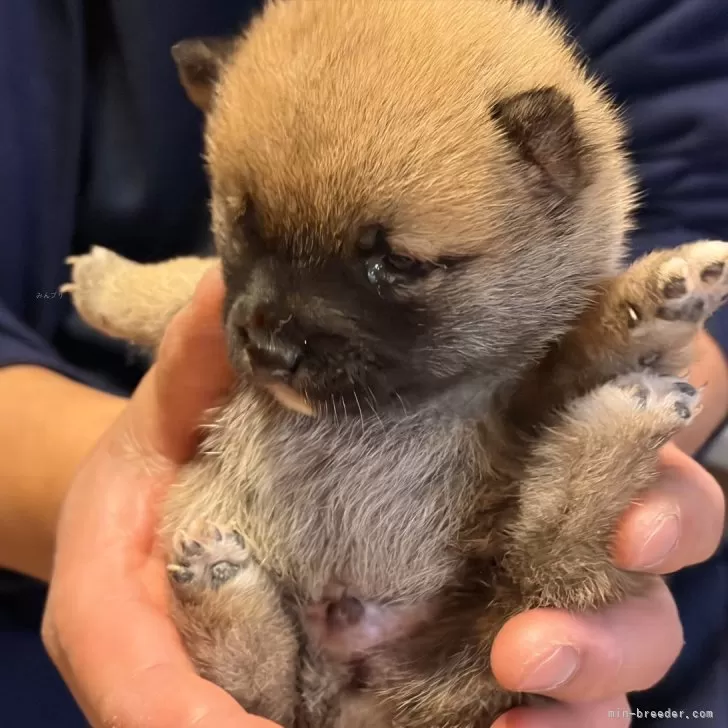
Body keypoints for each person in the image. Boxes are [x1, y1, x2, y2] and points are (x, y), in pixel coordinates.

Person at [1, 0, 727, 726]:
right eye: (249, 232)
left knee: (561, 564)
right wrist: (112, 503)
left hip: (486, 630)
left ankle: (611, 439)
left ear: (550, 166)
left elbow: (701, 203)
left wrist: (622, 351)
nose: (279, 340)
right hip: (54, 612)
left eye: (397, 266)